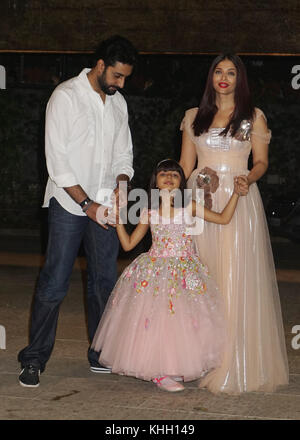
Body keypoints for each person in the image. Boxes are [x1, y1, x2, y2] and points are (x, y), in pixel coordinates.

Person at [18, 35, 138, 387]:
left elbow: (123, 155)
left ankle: (100, 353)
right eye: (117, 76)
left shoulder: (119, 103)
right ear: (101, 66)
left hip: (105, 203)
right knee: (54, 283)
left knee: (104, 281)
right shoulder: (66, 97)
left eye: (125, 78)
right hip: (70, 204)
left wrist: (121, 186)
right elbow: (58, 163)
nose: (121, 83)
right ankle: (34, 358)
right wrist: (88, 205)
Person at [179, 54, 289, 394]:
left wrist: (248, 180)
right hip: (200, 200)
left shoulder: (252, 117)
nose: (223, 77)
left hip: (238, 200)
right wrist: (169, 198)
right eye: (218, 71)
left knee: (235, 278)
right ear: (210, 77)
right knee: (202, 277)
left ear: (240, 80)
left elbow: (260, 162)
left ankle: (235, 361)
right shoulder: (194, 117)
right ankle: (200, 357)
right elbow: (185, 165)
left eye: (231, 72)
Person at [91, 159, 241, 392]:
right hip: (156, 270)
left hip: (186, 270)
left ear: (181, 181)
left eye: (175, 174)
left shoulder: (189, 206)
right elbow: (129, 244)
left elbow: (223, 218)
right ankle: (159, 372)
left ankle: (181, 363)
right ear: (156, 181)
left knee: (185, 319)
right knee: (158, 319)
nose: (169, 177)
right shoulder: (148, 211)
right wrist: (118, 220)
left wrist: (237, 196)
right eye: (163, 174)